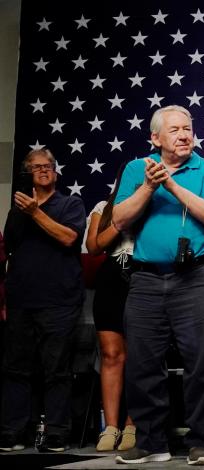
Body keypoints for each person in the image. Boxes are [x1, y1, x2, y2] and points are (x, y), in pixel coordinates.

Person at [111, 105, 204, 465]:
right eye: (175, 130)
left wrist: (172, 185)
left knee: (202, 363)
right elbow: (118, 220)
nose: (184, 135)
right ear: (155, 138)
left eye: (188, 129)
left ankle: (201, 442)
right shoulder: (137, 168)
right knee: (143, 363)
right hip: (147, 279)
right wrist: (148, 186)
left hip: (200, 278)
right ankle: (151, 441)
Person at [0, 148, 86, 453]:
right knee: (16, 368)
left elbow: (68, 238)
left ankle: (56, 433)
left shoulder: (70, 204)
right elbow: (9, 248)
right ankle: (13, 431)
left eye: (48, 165)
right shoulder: (16, 211)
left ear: (56, 171)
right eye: (37, 167)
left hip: (59, 301)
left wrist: (36, 212)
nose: (44, 170)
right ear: (28, 174)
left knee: (57, 369)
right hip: (22, 299)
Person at [85, 163, 136, 452]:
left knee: (140, 355)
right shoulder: (104, 206)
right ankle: (111, 427)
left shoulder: (153, 204)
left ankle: (133, 424)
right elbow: (93, 247)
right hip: (111, 282)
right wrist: (119, 220)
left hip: (143, 279)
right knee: (111, 354)